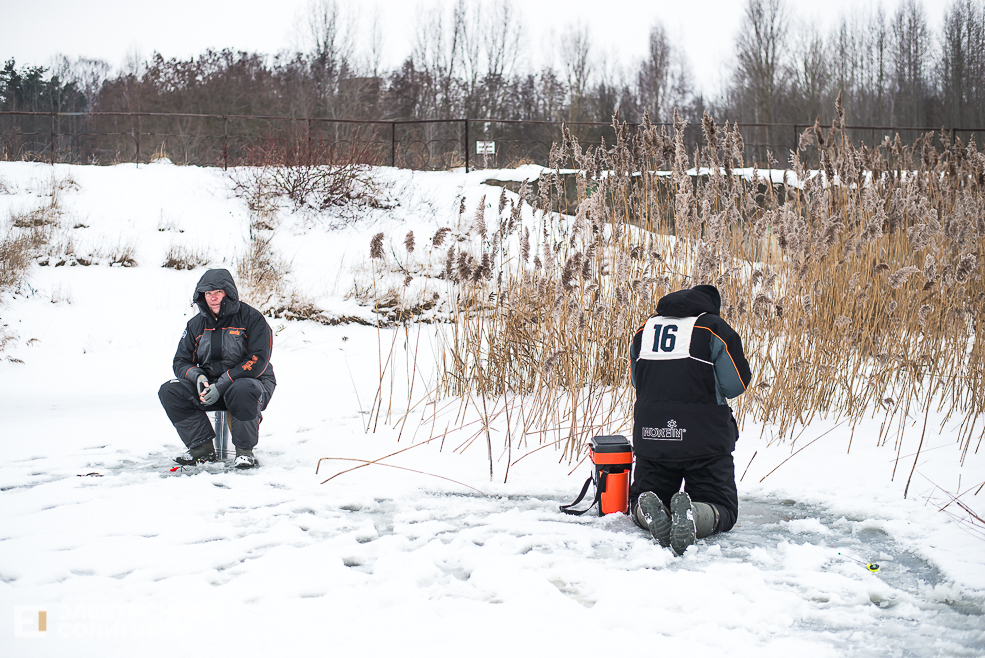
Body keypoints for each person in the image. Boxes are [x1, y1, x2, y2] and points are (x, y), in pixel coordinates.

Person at [628, 284, 751, 555]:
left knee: (642, 498)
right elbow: (736, 384)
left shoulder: (645, 330)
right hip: (704, 441)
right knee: (721, 506)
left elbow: (638, 382)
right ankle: (693, 515)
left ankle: (648, 515)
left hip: (652, 438)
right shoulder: (712, 328)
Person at [159, 269, 276, 469]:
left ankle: (244, 452)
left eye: (218, 292)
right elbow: (180, 361)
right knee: (170, 390)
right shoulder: (195, 325)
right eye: (208, 293)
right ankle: (201, 448)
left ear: (228, 293)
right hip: (210, 387)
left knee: (242, 388)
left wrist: (222, 384)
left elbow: (257, 361)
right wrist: (197, 377)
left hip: (251, 385)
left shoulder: (252, 318)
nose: (213, 298)